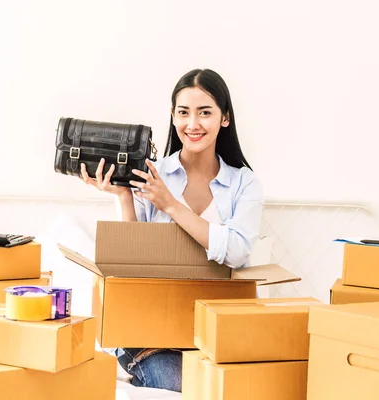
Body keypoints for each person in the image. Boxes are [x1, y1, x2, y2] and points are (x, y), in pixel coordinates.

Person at [80, 68, 263, 392]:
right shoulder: (150, 173)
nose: (193, 124)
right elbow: (132, 264)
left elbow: (235, 251)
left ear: (224, 118)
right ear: (172, 116)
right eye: (183, 113)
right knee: (184, 386)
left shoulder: (243, 183)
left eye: (205, 112)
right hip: (150, 329)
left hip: (215, 330)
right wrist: (124, 197)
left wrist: (171, 204)